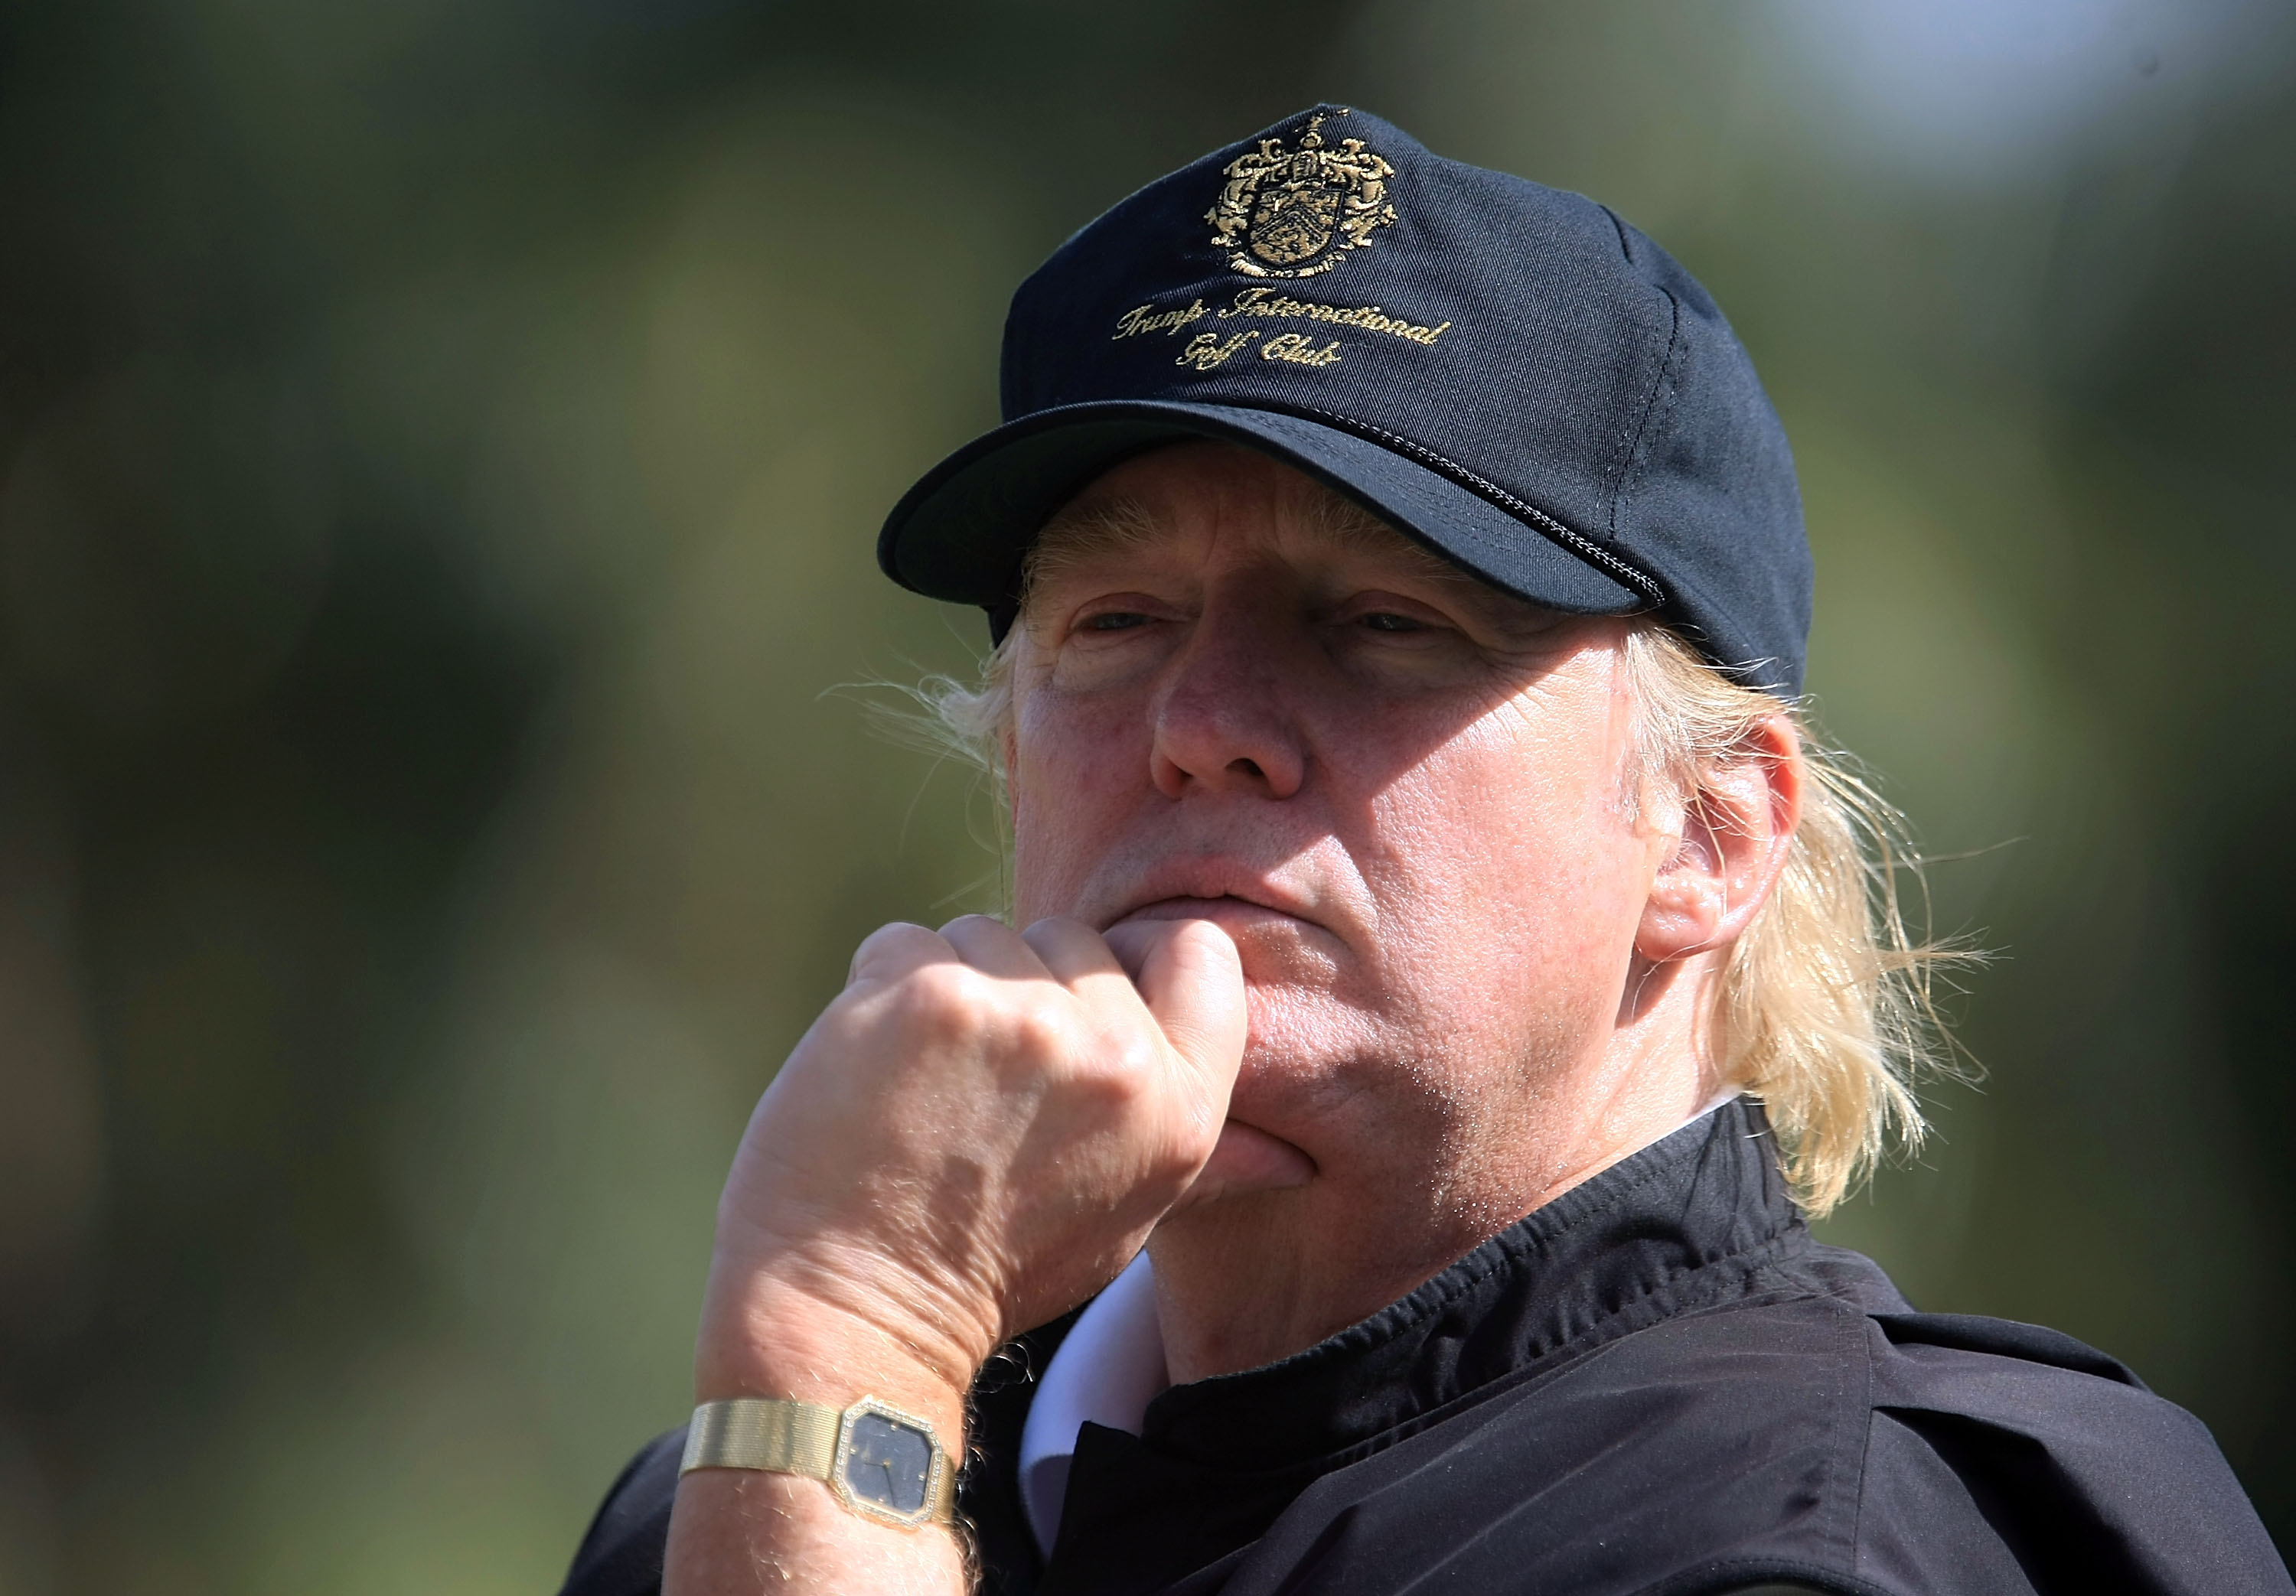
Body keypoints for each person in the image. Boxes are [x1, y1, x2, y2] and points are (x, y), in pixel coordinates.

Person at [557, 107, 2291, 1596]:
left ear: (1707, 831)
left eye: (1385, 620)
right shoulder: (739, 1498)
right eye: (1118, 618)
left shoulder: (1832, 1535)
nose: (1201, 719)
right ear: (1012, 763)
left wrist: (854, 1331)